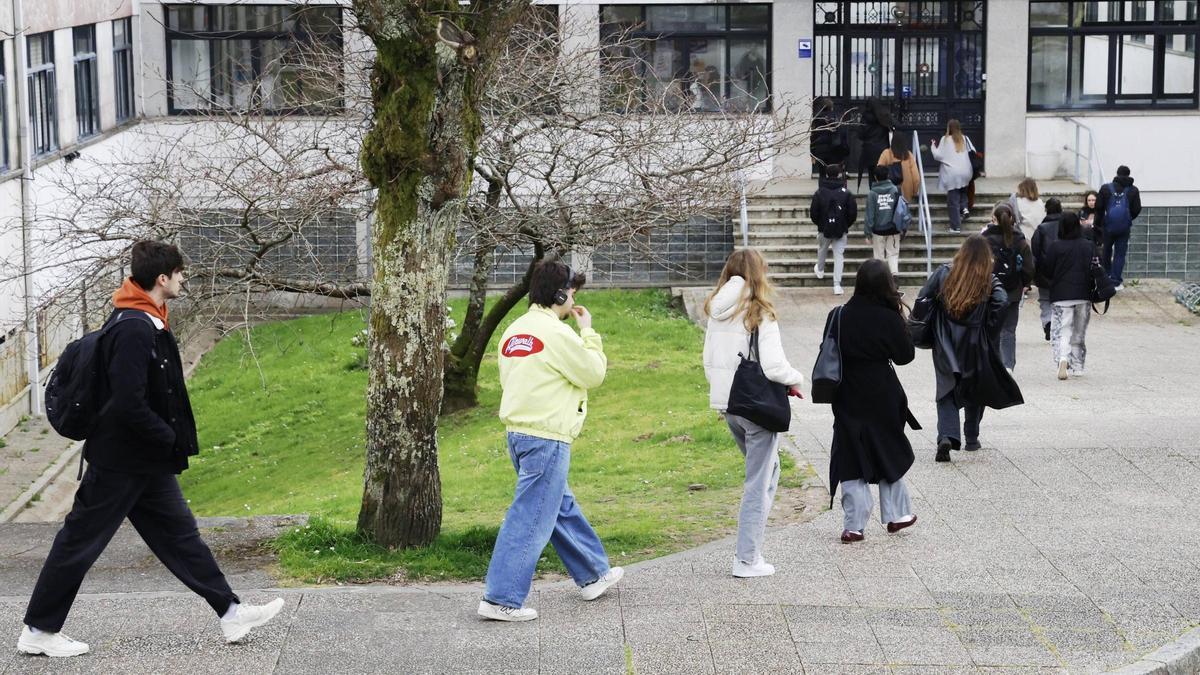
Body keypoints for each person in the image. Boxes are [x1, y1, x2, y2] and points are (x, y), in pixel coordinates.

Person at [18, 241, 284, 658]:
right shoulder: (133, 328)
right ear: (162, 278)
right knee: (79, 541)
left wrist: (162, 442)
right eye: (180, 273)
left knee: (181, 538)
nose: (183, 280)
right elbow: (127, 401)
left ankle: (231, 612)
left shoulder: (148, 319)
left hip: (144, 461)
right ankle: (38, 630)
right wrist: (167, 436)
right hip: (121, 460)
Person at [479, 260, 623, 622]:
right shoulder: (556, 333)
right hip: (547, 437)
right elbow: (593, 373)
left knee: (558, 506)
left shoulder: (514, 331)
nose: (573, 298)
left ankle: (593, 573)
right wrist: (588, 331)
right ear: (560, 294)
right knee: (530, 517)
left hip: (518, 434)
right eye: (571, 292)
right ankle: (501, 598)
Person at [702, 249, 805, 577]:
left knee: (768, 471)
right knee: (758, 482)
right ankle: (747, 558)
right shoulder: (758, 311)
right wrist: (796, 378)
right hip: (757, 406)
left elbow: (710, 361)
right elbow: (774, 366)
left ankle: (751, 547)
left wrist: (723, 398)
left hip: (731, 405)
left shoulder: (716, 309)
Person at [826, 259, 918, 544]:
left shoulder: (839, 314)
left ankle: (853, 525)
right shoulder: (888, 317)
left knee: (851, 454)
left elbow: (828, 349)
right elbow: (905, 356)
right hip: (882, 392)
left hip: (847, 393)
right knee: (887, 449)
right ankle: (896, 514)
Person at [916, 235, 1023, 463]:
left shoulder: (944, 272)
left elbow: (923, 297)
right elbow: (1002, 301)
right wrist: (989, 330)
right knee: (975, 385)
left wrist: (926, 325)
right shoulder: (987, 279)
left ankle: (947, 435)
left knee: (946, 390)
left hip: (946, 340)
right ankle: (971, 437)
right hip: (975, 340)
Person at [1041, 213, 1095, 380]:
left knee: (1062, 330)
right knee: (1079, 332)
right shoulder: (1088, 245)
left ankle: (1062, 358)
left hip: (1061, 295)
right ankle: (1078, 366)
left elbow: (1047, 270)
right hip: (1083, 294)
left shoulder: (1055, 246)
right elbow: (1095, 268)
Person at [981, 203, 1034, 371]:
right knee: (1009, 330)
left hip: (989, 290)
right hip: (1013, 290)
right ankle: (1008, 366)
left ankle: (993, 365)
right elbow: (1029, 267)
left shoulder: (984, 239)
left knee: (990, 328)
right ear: (1011, 218)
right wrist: (1025, 283)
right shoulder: (1020, 240)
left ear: (993, 219)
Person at [810, 163, 858, 295]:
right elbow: (852, 213)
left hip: (824, 228)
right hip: (840, 229)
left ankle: (820, 269)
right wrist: (845, 225)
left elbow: (814, 213)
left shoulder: (819, 192)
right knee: (839, 256)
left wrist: (820, 224)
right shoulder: (846, 193)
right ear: (839, 174)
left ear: (826, 174)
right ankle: (837, 285)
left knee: (822, 249)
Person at [1095, 165, 1142, 291]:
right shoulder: (1133, 190)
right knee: (1120, 254)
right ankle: (1116, 281)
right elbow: (1137, 209)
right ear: (1129, 174)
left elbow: (1098, 208)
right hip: (1124, 228)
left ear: (1117, 173)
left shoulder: (1105, 188)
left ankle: (1106, 277)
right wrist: (1127, 219)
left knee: (1106, 251)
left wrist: (1098, 225)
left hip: (1108, 226)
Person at [930, 119, 974, 234]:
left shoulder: (945, 139)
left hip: (952, 174)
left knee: (953, 201)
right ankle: (964, 208)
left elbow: (938, 156)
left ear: (948, 128)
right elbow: (973, 151)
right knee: (963, 191)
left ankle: (955, 227)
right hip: (966, 172)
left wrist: (933, 146)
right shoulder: (965, 138)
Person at [1031, 198, 1066, 341]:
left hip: (1045, 271)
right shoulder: (1067, 226)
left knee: (1045, 299)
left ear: (1046, 210)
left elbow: (1035, 251)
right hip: (1064, 271)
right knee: (1063, 300)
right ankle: (1059, 325)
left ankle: (1048, 323)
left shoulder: (1041, 229)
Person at [865, 165, 908, 276]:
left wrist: (868, 233)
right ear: (888, 175)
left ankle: (880, 279)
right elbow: (901, 210)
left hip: (878, 230)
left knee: (878, 257)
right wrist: (903, 227)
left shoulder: (872, 193)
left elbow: (870, 215)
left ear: (875, 177)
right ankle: (894, 277)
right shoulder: (895, 190)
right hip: (893, 228)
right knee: (893, 254)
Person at [856, 97, 894, 189]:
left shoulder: (865, 117)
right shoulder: (883, 115)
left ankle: (874, 193)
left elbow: (860, 134)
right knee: (884, 173)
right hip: (883, 150)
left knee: (872, 175)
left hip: (869, 150)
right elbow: (894, 125)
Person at [876, 132, 920, 203]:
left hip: (888, 193)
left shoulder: (886, 153)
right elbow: (916, 178)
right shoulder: (908, 155)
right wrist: (914, 192)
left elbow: (878, 171)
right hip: (906, 195)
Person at [810, 97, 849, 171]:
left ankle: (822, 182)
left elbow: (813, 135)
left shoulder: (817, 118)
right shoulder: (835, 117)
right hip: (834, 148)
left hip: (820, 148)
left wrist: (812, 153)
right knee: (833, 172)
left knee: (822, 173)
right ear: (831, 106)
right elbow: (841, 132)